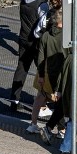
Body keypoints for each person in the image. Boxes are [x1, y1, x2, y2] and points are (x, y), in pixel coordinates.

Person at [9, 0, 49, 113]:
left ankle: (14, 99)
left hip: (23, 38)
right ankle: (43, 104)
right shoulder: (42, 4)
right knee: (43, 71)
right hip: (36, 42)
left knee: (21, 68)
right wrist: (39, 36)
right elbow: (42, 24)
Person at [31, 8, 67, 137]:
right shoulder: (66, 36)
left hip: (46, 72)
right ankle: (61, 129)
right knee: (60, 101)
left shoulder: (46, 35)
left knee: (40, 97)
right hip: (61, 73)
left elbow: (40, 57)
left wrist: (40, 75)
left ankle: (33, 124)